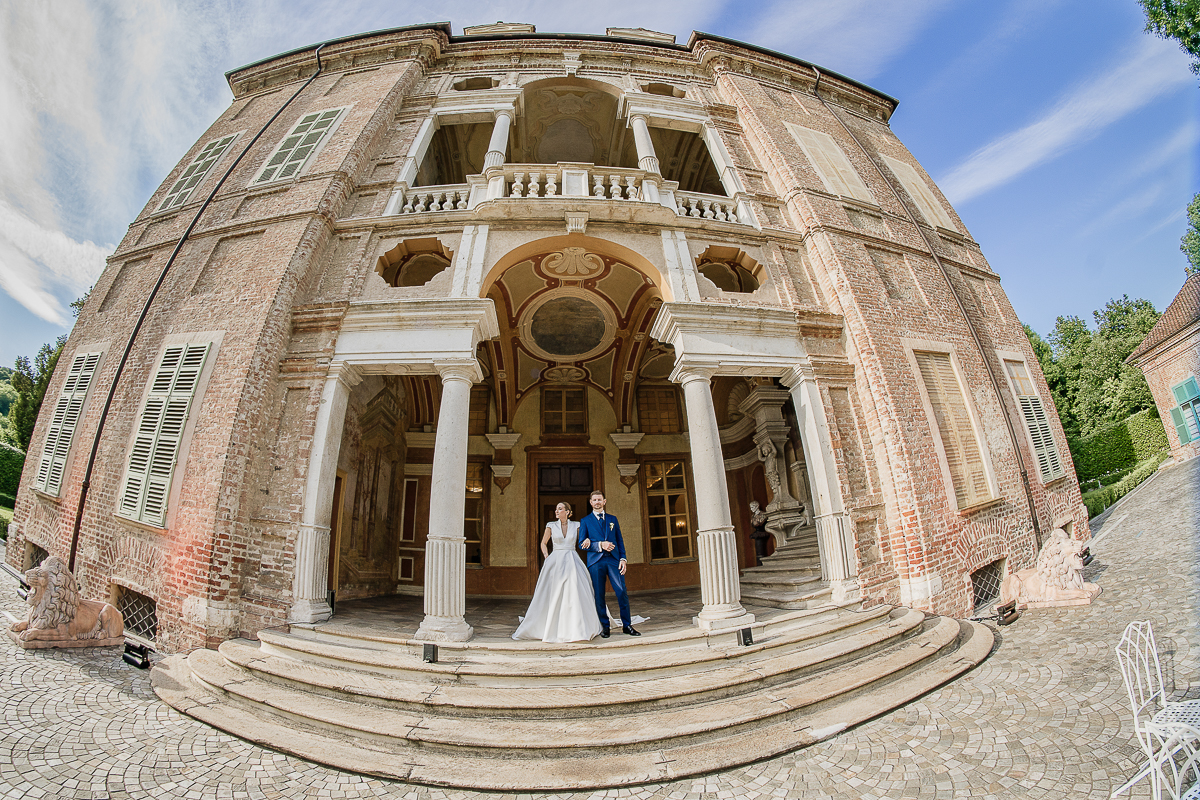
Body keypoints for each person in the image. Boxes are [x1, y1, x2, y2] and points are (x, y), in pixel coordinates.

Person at [512, 502, 602, 643]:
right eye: (556, 509)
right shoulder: (551, 525)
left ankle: (577, 625)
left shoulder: (577, 525)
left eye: (560, 509)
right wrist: (547, 556)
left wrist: (588, 540)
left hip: (572, 558)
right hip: (555, 559)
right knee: (551, 590)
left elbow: (584, 540)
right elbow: (543, 543)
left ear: (567, 512)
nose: (556, 511)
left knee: (575, 589)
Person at [577, 489, 639, 637]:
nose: (597, 502)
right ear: (590, 503)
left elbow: (619, 540)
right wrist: (599, 545)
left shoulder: (613, 519)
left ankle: (627, 625)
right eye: (594, 500)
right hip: (595, 562)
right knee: (599, 595)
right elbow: (581, 544)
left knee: (621, 591)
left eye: (600, 499)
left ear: (604, 501)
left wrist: (623, 559)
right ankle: (605, 626)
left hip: (613, 560)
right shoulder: (585, 521)